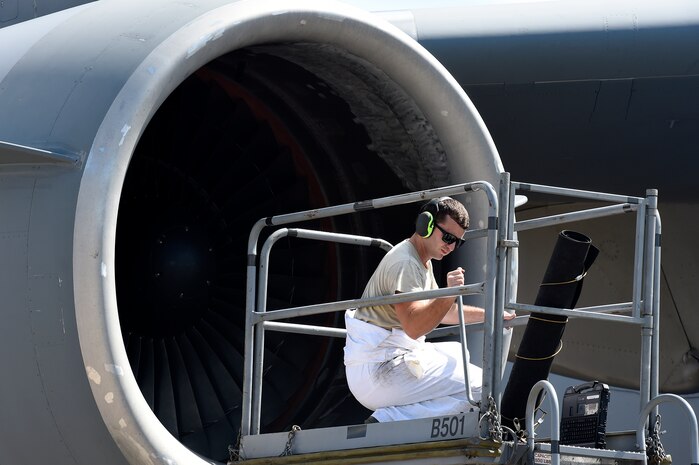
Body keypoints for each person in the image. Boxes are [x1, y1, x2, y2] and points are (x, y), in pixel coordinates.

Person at [343, 196, 515, 422]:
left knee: (457, 356)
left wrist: (490, 315)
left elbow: (445, 311)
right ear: (426, 224)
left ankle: (391, 418)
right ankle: (389, 419)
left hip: (381, 364)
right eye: (448, 237)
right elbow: (414, 328)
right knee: (482, 388)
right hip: (378, 370)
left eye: (458, 242)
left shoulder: (421, 261)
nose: (451, 246)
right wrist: (450, 291)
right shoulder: (405, 263)